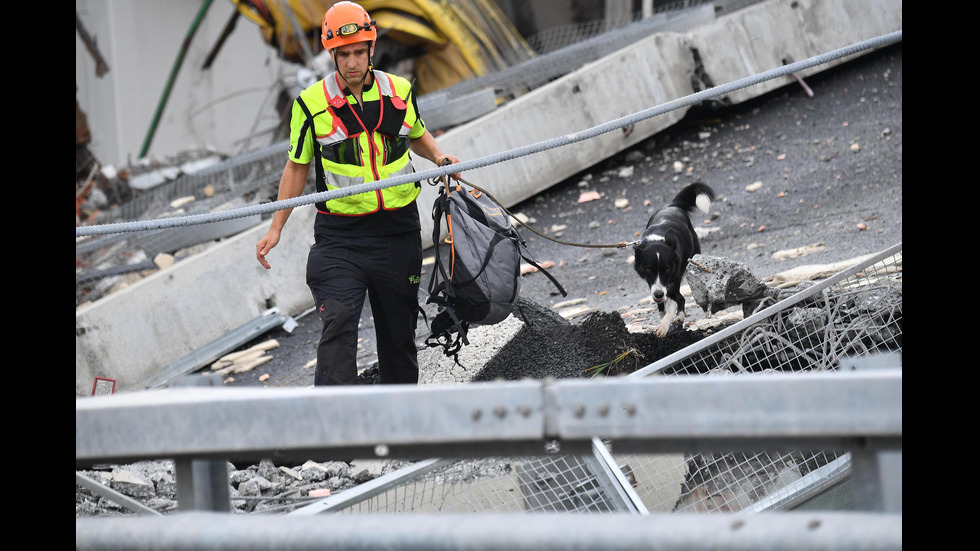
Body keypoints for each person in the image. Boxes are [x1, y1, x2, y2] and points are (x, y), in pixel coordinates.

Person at [256, 1, 460, 386]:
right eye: (343, 54)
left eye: (358, 52)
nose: (351, 62)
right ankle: (337, 432)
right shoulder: (311, 105)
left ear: (371, 48)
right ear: (332, 54)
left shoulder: (398, 90)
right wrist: (276, 227)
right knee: (338, 321)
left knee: (399, 337)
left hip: (398, 233)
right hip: (341, 239)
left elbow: (417, 135)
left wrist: (439, 156)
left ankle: (398, 429)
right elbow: (297, 167)